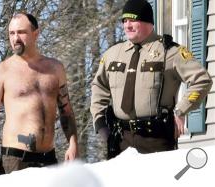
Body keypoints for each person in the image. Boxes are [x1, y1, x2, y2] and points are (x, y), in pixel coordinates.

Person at [90, 0, 212, 155]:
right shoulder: (113, 54)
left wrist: (181, 110)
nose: (127, 26)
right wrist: (100, 124)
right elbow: (99, 86)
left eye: (133, 20)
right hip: (120, 139)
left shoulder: (170, 52)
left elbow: (202, 80)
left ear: (148, 22)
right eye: (124, 21)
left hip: (156, 140)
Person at [0, 12, 78, 176]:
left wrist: (73, 143)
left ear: (36, 33)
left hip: (48, 158)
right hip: (16, 159)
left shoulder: (55, 68)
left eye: (21, 32)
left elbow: (66, 110)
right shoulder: (2, 71)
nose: (15, 38)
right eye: (12, 33)